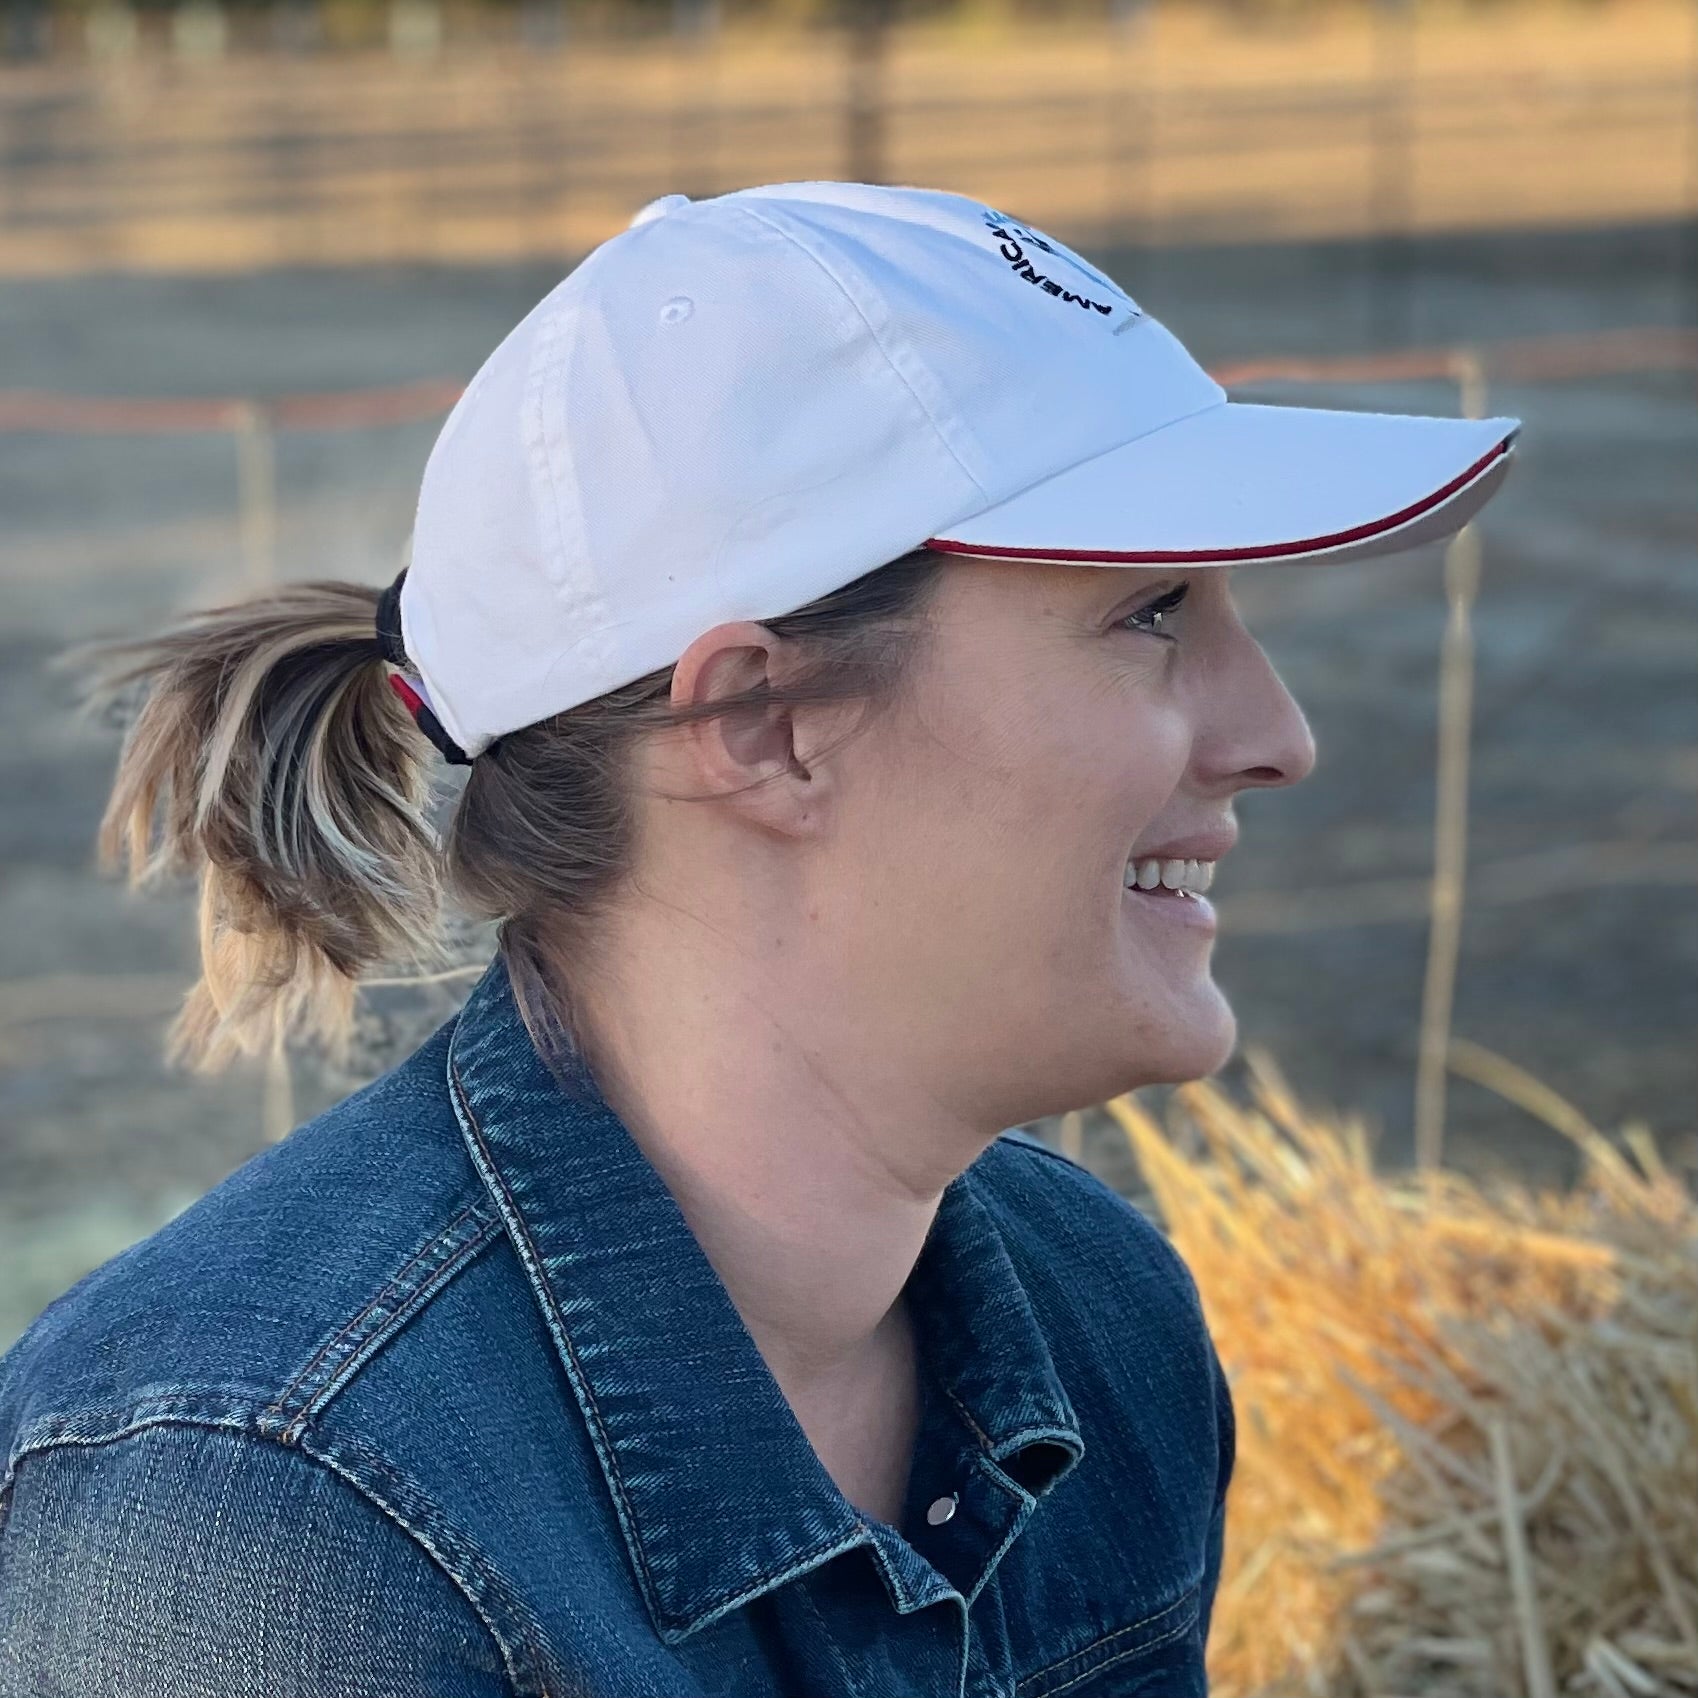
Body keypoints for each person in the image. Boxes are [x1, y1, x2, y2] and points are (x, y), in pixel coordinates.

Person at [0, 182, 1518, 1698]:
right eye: (1148, 613)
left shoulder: (1103, 1317)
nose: (1278, 734)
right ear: (760, 723)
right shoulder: (262, 1520)